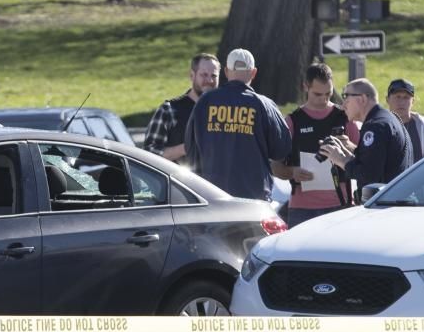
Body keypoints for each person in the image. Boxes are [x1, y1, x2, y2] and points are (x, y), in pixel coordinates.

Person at [184, 48, 292, 201]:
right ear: (253, 72)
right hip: (254, 200)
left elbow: (191, 148)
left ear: (227, 72)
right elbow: (282, 150)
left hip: (212, 197)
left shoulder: (205, 102)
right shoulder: (264, 105)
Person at [272, 63, 360, 227]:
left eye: (329, 93)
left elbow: (363, 160)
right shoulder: (292, 122)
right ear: (305, 86)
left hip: (340, 207)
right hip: (302, 210)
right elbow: (275, 166)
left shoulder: (345, 118)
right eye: (318, 94)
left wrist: (348, 147)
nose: (324, 99)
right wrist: (292, 171)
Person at [319, 78, 413, 199]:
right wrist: (345, 151)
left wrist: (341, 159)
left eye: (346, 98)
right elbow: (377, 164)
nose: (343, 106)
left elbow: (368, 175)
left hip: (384, 208)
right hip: (394, 202)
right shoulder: (389, 119)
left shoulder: (375, 126)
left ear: (362, 99)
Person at [143, 53, 221, 163]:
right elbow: (148, 155)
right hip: (178, 179)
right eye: (204, 75)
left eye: (214, 76)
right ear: (192, 76)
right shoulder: (169, 110)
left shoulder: (224, 112)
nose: (209, 80)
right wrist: (186, 147)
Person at [386, 78, 424, 162]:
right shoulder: (380, 127)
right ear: (387, 99)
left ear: (413, 101)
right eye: (397, 97)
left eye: (406, 98)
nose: (401, 102)